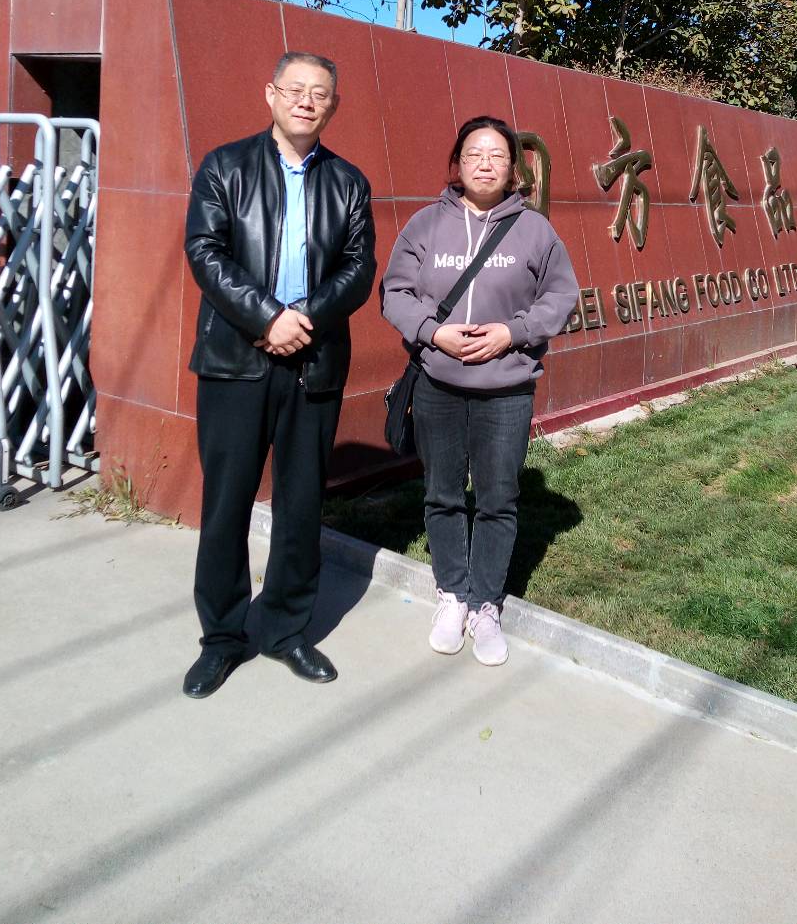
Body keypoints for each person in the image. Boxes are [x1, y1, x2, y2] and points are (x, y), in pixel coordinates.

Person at [181, 52, 375, 698]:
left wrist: (303, 319)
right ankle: (222, 637)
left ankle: (288, 629)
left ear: (333, 105)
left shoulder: (348, 182)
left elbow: (358, 268)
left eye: (319, 93)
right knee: (226, 503)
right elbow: (205, 251)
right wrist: (266, 317)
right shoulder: (225, 166)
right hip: (236, 361)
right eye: (295, 89)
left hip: (312, 363)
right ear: (270, 94)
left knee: (301, 504)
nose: (305, 101)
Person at [381, 115, 578, 665]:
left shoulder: (534, 230)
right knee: (442, 493)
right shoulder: (425, 224)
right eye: (474, 154)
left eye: (497, 155)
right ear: (457, 163)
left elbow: (560, 296)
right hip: (439, 383)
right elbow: (395, 292)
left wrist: (512, 333)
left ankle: (485, 603)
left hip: (506, 388)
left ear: (514, 169)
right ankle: (452, 593)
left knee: (497, 499)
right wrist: (433, 332)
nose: (485, 164)